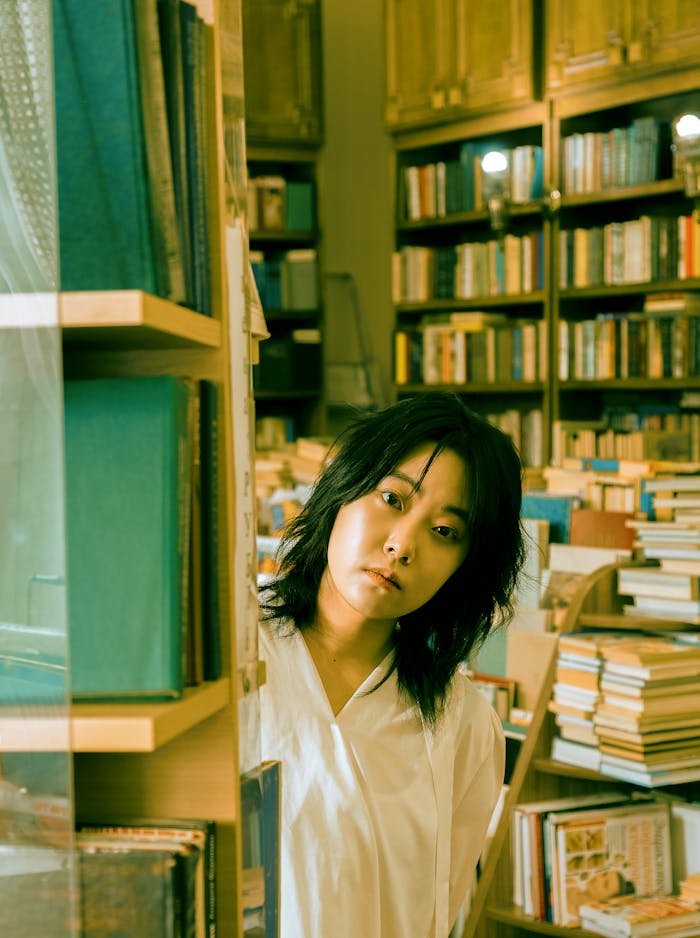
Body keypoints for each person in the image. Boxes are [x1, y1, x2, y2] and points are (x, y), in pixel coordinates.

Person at [258, 392, 526, 937]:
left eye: (445, 532)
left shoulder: (463, 724)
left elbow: (431, 915)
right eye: (393, 499)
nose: (403, 546)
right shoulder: (234, 656)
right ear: (343, 488)